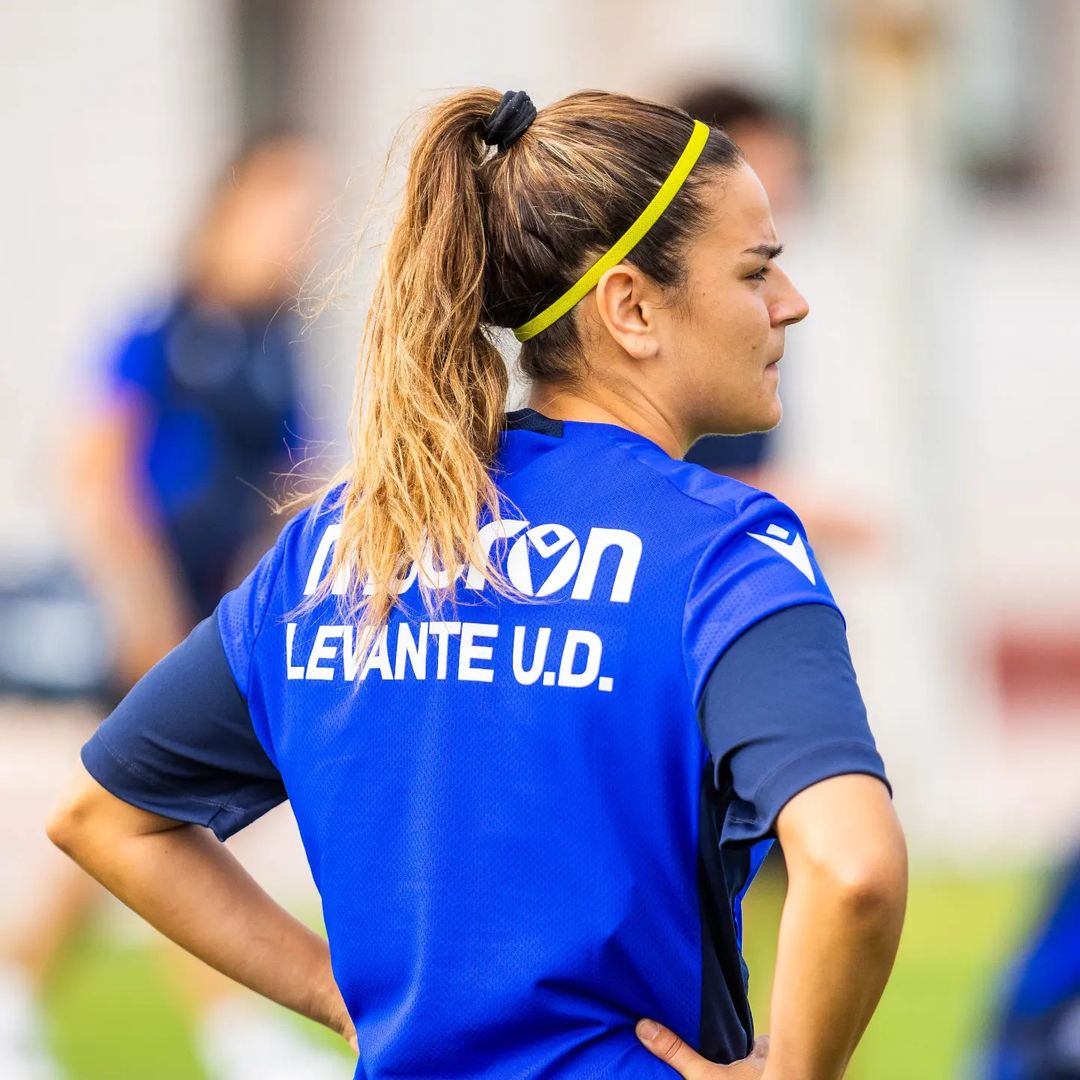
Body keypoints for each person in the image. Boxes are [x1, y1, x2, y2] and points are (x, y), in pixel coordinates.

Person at [47, 88, 907, 1079]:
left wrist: (343, 996)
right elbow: (853, 870)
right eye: (758, 269)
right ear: (630, 308)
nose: (788, 302)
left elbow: (103, 814)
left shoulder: (347, 539)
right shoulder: (725, 551)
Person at [3, 132, 345, 1080]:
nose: (297, 234)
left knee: (124, 822)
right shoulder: (161, 329)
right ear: (231, 208)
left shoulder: (276, 344)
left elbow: (295, 484)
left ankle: (13, 995)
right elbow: (92, 466)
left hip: (213, 617)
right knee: (163, 820)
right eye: (282, 209)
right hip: (146, 616)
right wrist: (141, 603)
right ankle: (233, 1033)